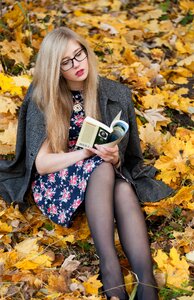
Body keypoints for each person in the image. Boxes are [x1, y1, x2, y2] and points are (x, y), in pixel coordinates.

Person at [0, 27, 173, 300]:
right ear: (55, 69)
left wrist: (115, 157)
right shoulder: (44, 96)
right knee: (104, 170)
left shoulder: (116, 94)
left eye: (79, 55)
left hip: (102, 182)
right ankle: (110, 269)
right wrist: (86, 154)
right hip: (58, 182)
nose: (77, 65)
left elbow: (127, 157)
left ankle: (146, 283)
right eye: (66, 62)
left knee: (123, 187)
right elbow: (43, 164)